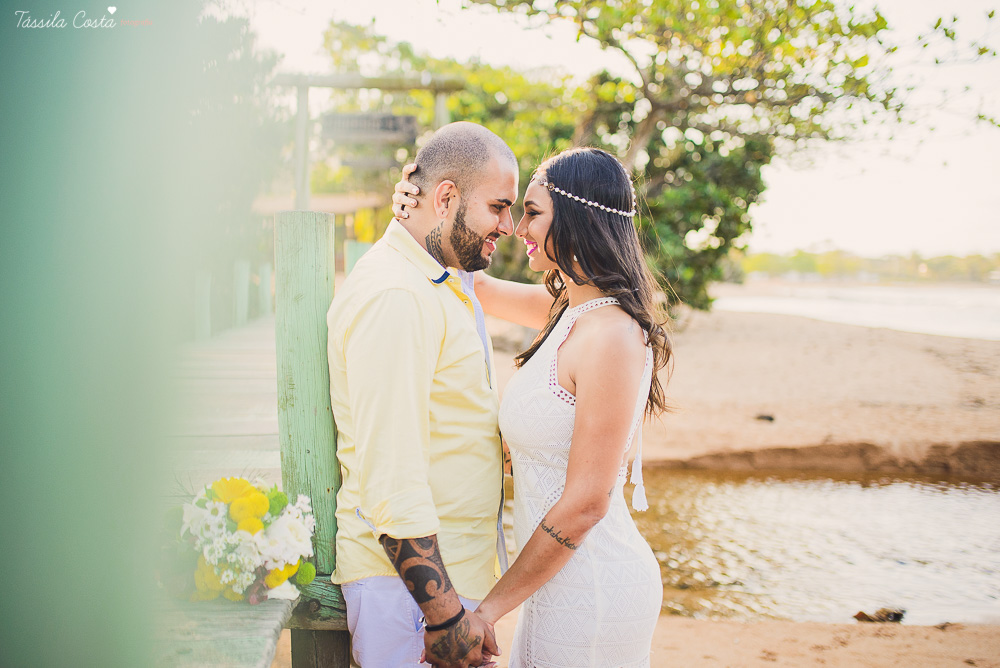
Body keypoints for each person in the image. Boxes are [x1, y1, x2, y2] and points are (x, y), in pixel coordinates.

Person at [392, 146, 672, 667]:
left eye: (532, 213)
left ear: (578, 218)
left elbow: (588, 502)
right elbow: (466, 280)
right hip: (552, 584)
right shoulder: (571, 309)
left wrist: (487, 612)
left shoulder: (612, 336)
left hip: (594, 587)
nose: (518, 227)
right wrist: (421, 209)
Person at [327, 121, 519, 667]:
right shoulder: (397, 295)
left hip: (439, 586)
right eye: (499, 207)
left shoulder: (437, 278)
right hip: (411, 596)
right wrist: (446, 617)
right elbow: (391, 474)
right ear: (446, 197)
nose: (506, 225)